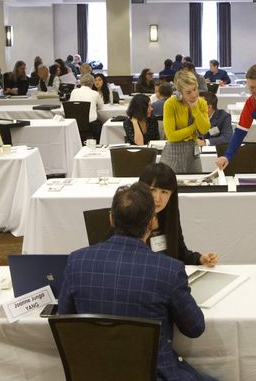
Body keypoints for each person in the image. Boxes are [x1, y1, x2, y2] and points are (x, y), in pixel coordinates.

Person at [57, 183, 209, 381]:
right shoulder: (168, 270)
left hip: (95, 372)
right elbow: (195, 328)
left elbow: (66, 317)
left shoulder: (77, 261)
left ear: (111, 219)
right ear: (152, 223)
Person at [161, 70, 211, 173]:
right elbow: (171, 136)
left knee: (196, 184)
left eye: (195, 89)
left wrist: (195, 109)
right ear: (180, 92)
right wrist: (194, 127)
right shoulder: (170, 104)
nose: (194, 95)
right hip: (173, 151)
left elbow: (205, 129)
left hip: (193, 150)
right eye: (188, 92)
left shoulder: (201, 103)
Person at [69, 73, 102, 140]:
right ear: (92, 83)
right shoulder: (95, 93)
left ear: (81, 82)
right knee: (100, 124)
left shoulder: (74, 92)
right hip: (91, 124)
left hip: (75, 123)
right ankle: (98, 144)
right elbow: (101, 107)